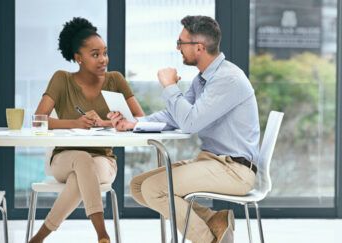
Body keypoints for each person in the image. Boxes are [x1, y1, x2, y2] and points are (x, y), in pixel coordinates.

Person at [109, 15, 260, 243]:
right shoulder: (204, 79)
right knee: (139, 186)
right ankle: (213, 220)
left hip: (234, 170)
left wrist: (170, 86)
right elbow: (174, 116)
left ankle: (208, 241)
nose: (177, 48)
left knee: (154, 190)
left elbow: (190, 122)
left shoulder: (227, 79)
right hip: (212, 161)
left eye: (181, 43)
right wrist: (134, 124)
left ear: (199, 47)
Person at [29, 17, 144, 243]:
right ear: (78, 58)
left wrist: (108, 122)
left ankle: (38, 239)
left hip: (103, 160)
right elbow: (38, 120)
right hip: (64, 158)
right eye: (95, 54)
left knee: (80, 175)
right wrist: (75, 122)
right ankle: (102, 234)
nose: (103, 60)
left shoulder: (116, 80)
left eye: (105, 53)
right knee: (81, 159)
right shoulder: (62, 79)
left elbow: (140, 119)